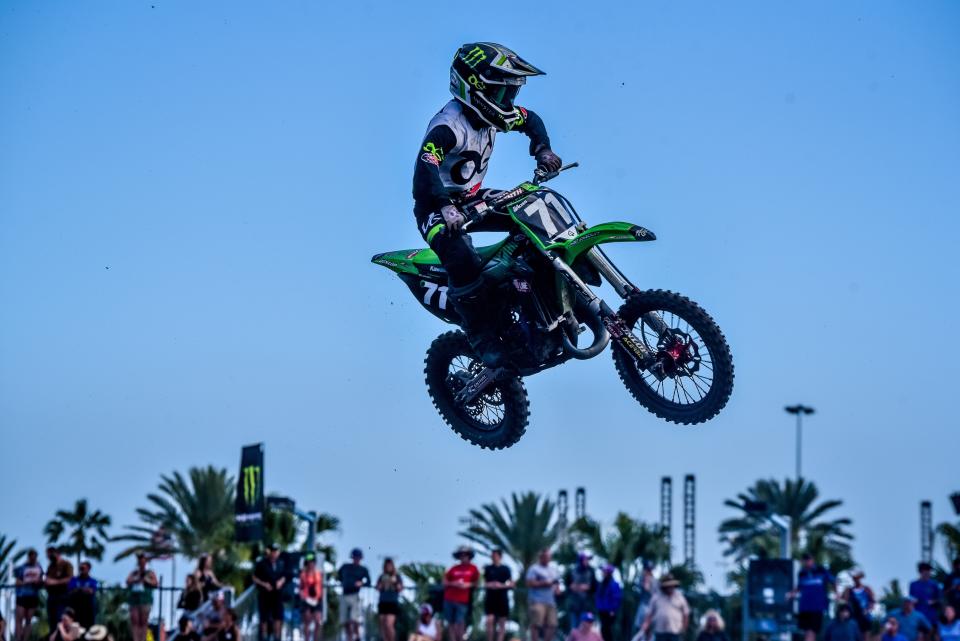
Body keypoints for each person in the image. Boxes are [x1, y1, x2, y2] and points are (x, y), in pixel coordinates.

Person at [412, 42, 563, 367]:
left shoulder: (494, 115)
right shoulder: (449, 127)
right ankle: (481, 336)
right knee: (460, 252)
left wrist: (543, 150)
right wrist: (445, 206)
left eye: (511, 94)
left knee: (534, 209)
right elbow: (425, 167)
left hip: (473, 197)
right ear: (474, 89)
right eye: (502, 93)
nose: (508, 103)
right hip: (435, 206)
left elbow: (531, 120)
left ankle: (538, 296)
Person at [790, 553, 835, 641]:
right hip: (804, 607)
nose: (807, 562)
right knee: (806, 631)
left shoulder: (821, 570)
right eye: (804, 560)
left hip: (817, 607)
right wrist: (791, 594)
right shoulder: (802, 573)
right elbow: (799, 587)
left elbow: (833, 581)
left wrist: (836, 593)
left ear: (812, 560)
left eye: (808, 560)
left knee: (812, 631)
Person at [444, 546, 480, 641]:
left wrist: (468, 585)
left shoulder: (473, 568)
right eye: (461, 555)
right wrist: (454, 583)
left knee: (459, 622)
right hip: (449, 598)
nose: (463, 557)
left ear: (469, 556)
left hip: (463, 600)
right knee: (450, 623)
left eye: (465, 555)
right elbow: (445, 582)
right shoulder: (453, 568)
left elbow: (476, 584)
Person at [252, 543, 286, 641]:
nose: (275, 553)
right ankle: (264, 638)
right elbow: (254, 577)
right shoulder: (262, 563)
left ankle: (277, 638)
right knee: (264, 618)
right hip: (265, 595)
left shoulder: (281, 563)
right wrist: (264, 584)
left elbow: (285, 575)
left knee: (278, 617)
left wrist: (281, 581)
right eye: (273, 551)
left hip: (277, 595)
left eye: (276, 551)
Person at [640, 574, 690, 641]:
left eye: (671, 585)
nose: (670, 587)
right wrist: (645, 624)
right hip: (660, 633)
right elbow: (649, 614)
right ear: (664, 586)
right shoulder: (656, 597)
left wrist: (684, 629)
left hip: (675, 633)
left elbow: (686, 614)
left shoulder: (680, 597)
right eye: (668, 585)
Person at [526, 549, 561, 641]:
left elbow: (556, 582)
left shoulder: (553, 569)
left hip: (550, 601)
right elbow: (529, 583)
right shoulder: (534, 569)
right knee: (536, 624)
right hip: (537, 600)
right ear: (541, 557)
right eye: (545, 557)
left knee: (552, 624)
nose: (548, 559)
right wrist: (544, 583)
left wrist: (557, 589)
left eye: (549, 557)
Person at [337, 548, 371, 641]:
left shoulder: (363, 569)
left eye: (358, 557)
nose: (356, 559)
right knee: (345, 621)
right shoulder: (345, 567)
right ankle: (349, 638)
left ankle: (357, 637)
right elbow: (338, 576)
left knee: (354, 619)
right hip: (344, 595)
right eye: (355, 557)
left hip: (355, 595)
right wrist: (344, 582)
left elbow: (369, 582)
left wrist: (361, 583)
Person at [126, 552, 158, 641]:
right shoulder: (134, 572)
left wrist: (146, 580)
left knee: (143, 622)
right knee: (135, 621)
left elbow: (155, 583)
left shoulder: (150, 572)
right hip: (134, 600)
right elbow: (128, 581)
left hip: (145, 599)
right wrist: (136, 579)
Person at [14, 548, 44, 641]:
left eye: (34, 556)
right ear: (29, 557)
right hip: (22, 595)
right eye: (31, 556)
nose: (32, 558)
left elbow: (41, 581)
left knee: (28, 620)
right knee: (19, 619)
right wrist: (25, 583)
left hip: (33, 596)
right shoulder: (22, 567)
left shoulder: (39, 568)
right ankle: (18, 639)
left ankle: (25, 639)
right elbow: (17, 581)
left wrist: (38, 582)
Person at [483, 549, 513, 641]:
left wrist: (501, 585)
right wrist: (491, 585)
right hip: (490, 598)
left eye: (495, 555)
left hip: (502, 598)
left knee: (502, 623)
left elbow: (511, 584)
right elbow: (484, 583)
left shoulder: (506, 569)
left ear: (500, 556)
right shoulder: (488, 568)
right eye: (492, 555)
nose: (493, 557)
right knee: (489, 621)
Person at [566, 554, 598, 632]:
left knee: (586, 629)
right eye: (585, 560)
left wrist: (587, 587)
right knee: (574, 629)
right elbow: (568, 586)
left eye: (587, 560)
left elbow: (594, 587)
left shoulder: (591, 571)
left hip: (587, 606)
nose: (587, 562)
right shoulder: (572, 571)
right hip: (575, 605)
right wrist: (575, 587)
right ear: (580, 561)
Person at [46, 547, 75, 633]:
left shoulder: (66, 564)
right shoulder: (51, 566)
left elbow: (70, 579)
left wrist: (55, 582)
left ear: (57, 553)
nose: (49, 557)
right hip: (51, 596)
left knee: (61, 619)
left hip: (63, 596)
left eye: (50, 554)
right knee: (52, 620)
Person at [843, 569, 875, 641]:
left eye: (857, 577)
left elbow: (872, 601)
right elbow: (845, 602)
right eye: (854, 577)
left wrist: (868, 610)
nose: (855, 579)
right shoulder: (849, 590)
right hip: (853, 618)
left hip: (865, 618)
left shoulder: (867, 589)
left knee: (865, 638)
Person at [377, 557, 404, 641]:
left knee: (389, 624)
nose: (388, 567)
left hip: (392, 603)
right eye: (387, 565)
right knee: (383, 625)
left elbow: (400, 588)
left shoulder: (397, 576)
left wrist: (394, 581)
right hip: (382, 602)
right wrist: (383, 583)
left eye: (390, 565)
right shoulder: (381, 576)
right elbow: (378, 587)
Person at [910, 562, 943, 628]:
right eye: (926, 570)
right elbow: (910, 601)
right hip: (918, 616)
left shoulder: (934, 584)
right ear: (920, 572)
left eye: (929, 571)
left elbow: (940, 599)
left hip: (931, 617)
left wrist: (934, 602)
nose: (928, 573)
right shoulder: (913, 584)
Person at [67, 561, 98, 629]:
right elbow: (71, 591)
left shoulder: (92, 581)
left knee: (89, 628)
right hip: (76, 609)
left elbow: (91, 591)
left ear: (88, 569)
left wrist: (78, 589)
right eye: (80, 568)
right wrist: (83, 590)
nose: (82, 570)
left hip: (88, 610)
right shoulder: (74, 580)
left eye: (83, 568)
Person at [300, 553, 324, 641]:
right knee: (307, 621)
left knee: (318, 621)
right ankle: (306, 639)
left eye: (313, 562)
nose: (311, 564)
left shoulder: (318, 574)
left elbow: (319, 587)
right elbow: (301, 588)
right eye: (309, 562)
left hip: (317, 600)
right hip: (306, 600)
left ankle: (315, 639)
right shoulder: (303, 574)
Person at [632, 562, 658, 641]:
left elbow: (652, 592)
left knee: (649, 630)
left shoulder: (653, 580)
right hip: (643, 605)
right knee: (642, 629)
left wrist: (647, 583)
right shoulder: (642, 578)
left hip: (649, 607)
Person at [596, 565, 622, 641]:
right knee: (603, 630)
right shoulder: (601, 584)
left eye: (604, 572)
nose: (602, 573)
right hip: (602, 611)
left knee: (609, 631)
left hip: (609, 612)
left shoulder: (614, 584)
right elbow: (598, 597)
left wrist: (613, 610)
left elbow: (616, 599)